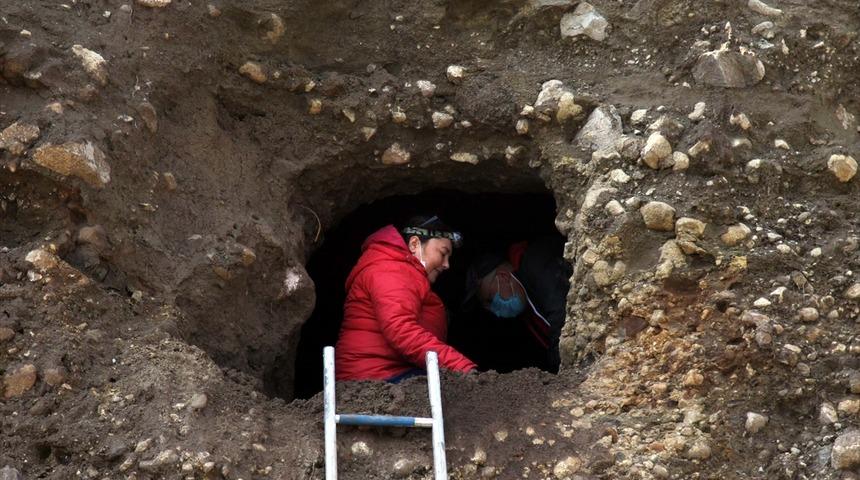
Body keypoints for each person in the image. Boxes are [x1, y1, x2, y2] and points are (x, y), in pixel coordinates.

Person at [335, 216, 477, 382]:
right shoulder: (391, 269)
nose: (447, 264)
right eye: (443, 253)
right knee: (457, 395)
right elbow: (402, 329)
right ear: (415, 244)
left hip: (386, 373)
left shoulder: (399, 270)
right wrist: (461, 367)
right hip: (375, 377)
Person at [464, 236, 570, 373]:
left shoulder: (536, 263)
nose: (494, 311)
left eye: (490, 299)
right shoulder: (528, 310)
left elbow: (561, 312)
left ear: (503, 277)